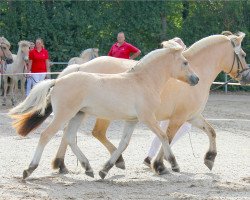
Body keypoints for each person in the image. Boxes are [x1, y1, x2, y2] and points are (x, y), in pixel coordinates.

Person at [143, 37, 191, 167]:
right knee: (183, 126)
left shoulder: (169, 60)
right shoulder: (174, 62)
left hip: (171, 99)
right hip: (170, 100)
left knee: (164, 129)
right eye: (181, 46)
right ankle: (161, 152)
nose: (183, 48)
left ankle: (150, 156)